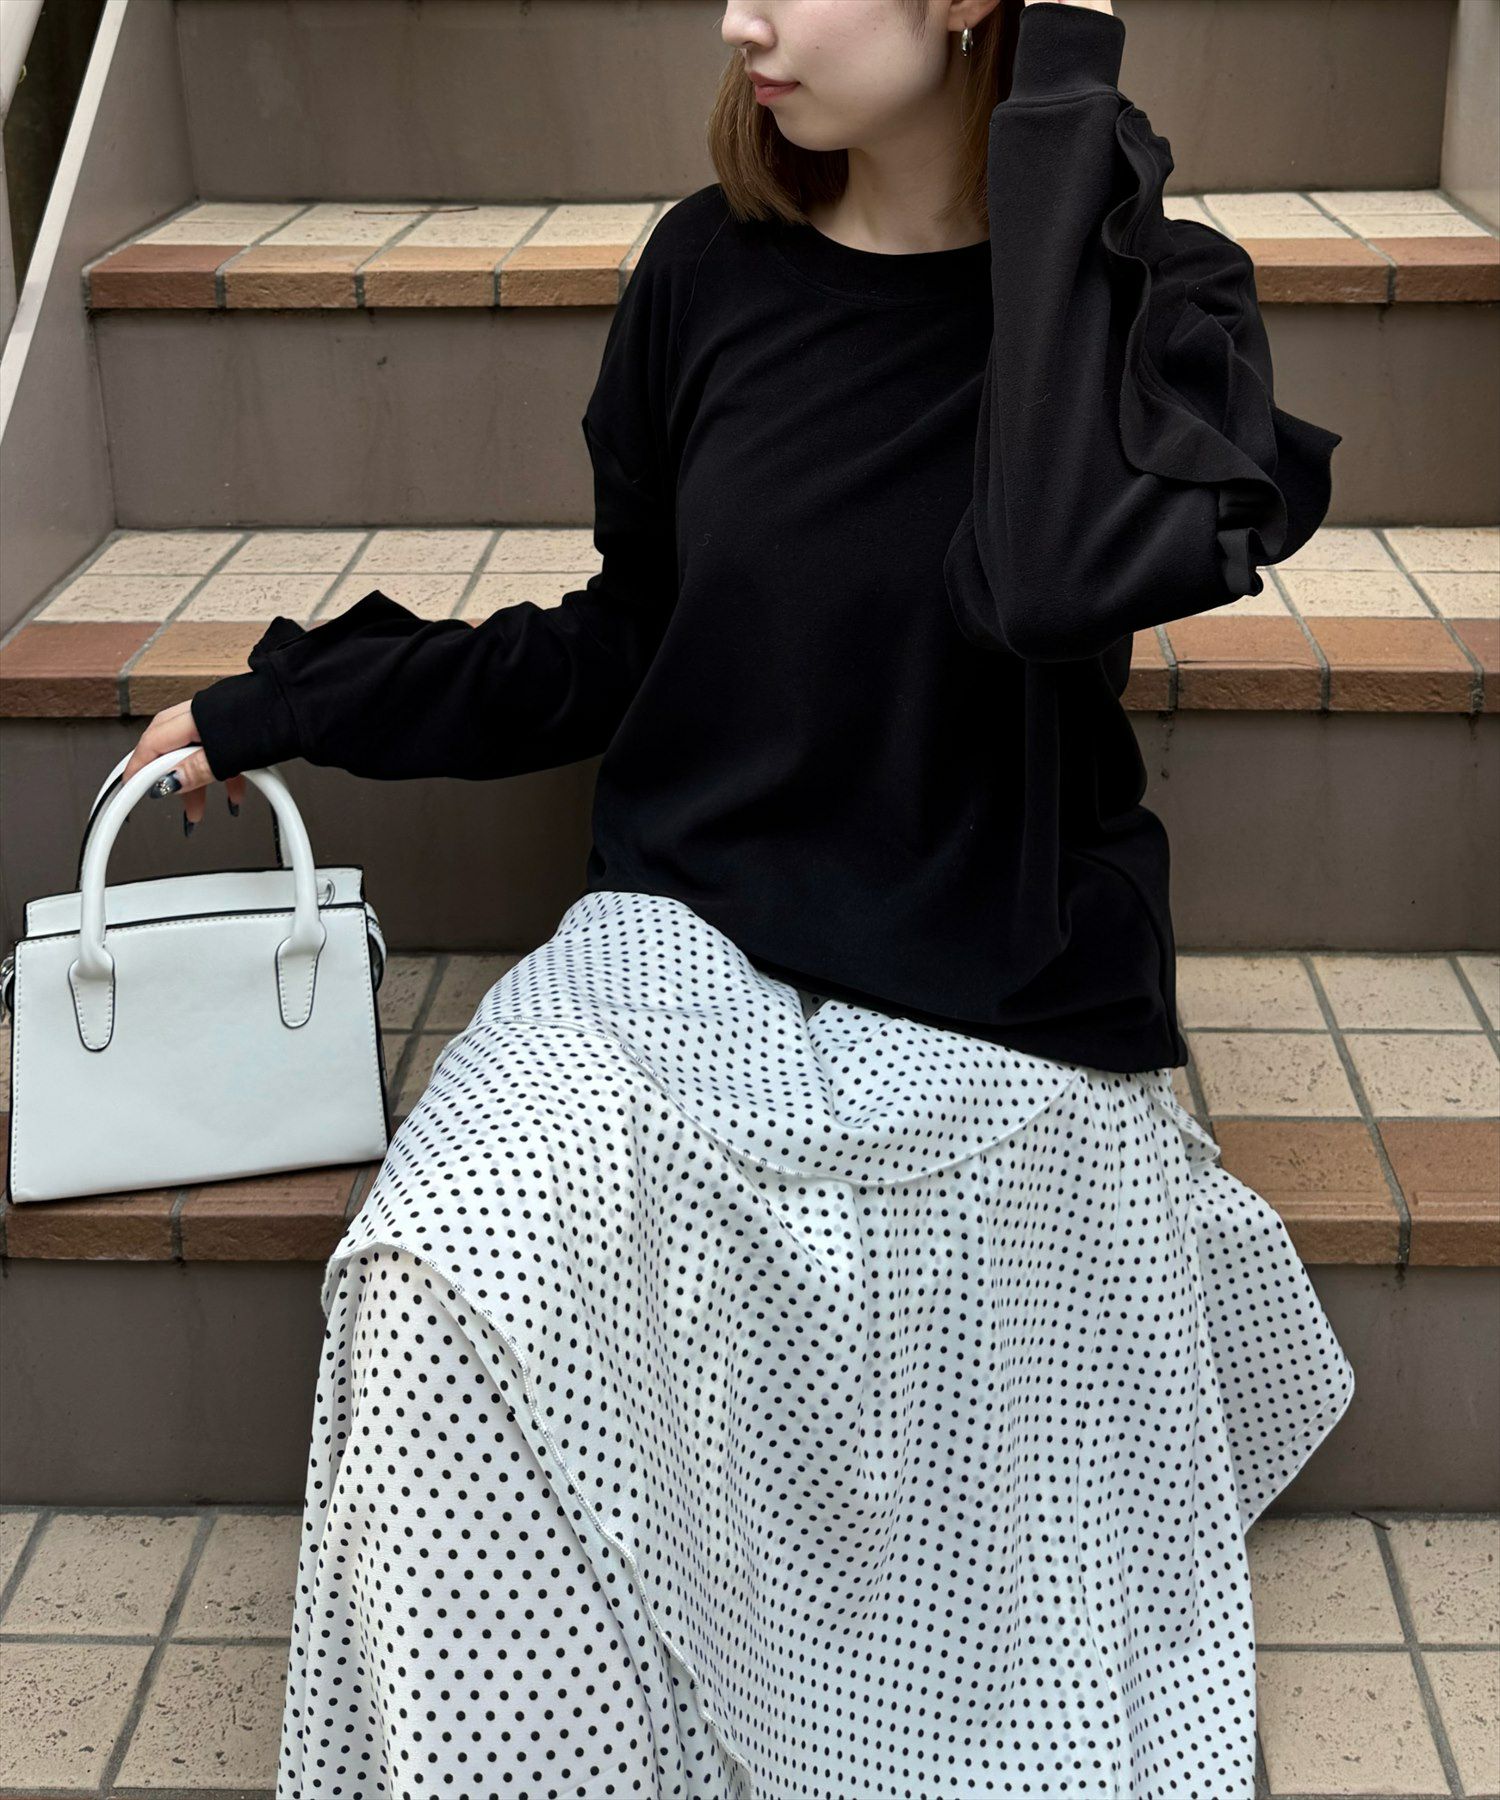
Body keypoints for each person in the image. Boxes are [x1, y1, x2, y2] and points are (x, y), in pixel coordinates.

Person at [121, 2, 1355, 1794]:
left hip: (995, 953)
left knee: (990, 1275)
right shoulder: (708, 271)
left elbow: (1044, 577)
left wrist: (1059, 101)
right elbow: (631, 634)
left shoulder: (1151, 300)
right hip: (688, 926)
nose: (737, 19)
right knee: (439, 1261)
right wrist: (296, 701)